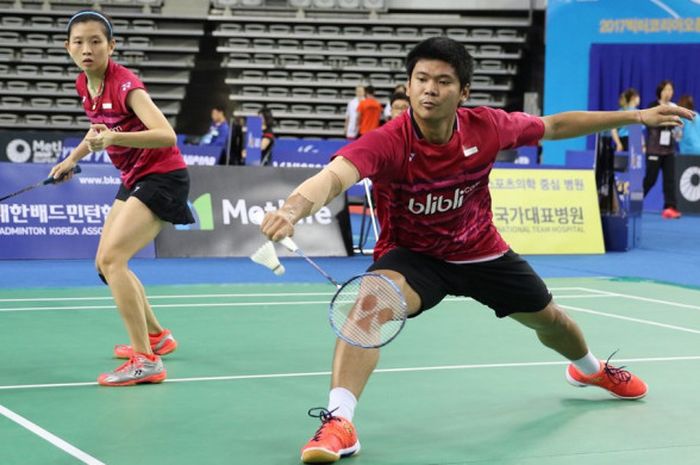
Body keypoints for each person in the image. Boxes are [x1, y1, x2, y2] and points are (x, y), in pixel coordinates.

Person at [260, 37, 693, 463]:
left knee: (553, 322)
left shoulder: (486, 127)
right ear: (408, 86)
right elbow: (335, 176)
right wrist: (292, 209)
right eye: (421, 79)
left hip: (481, 252)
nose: (430, 89)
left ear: (463, 92)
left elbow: (555, 126)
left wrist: (637, 115)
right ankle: (340, 421)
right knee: (370, 304)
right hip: (414, 257)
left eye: (443, 81)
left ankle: (590, 369)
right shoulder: (389, 140)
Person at [50, 10, 193, 386]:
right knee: (104, 263)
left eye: (96, 41)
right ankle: (158, 337)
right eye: (78, 42)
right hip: (135, 176)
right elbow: (97, 129)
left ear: (111, 46)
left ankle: (146, 361)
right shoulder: (85, 84)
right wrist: (71, 159)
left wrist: (114, 139)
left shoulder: (126, 84)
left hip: (162, 177)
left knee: (114, 259)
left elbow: (166, 134)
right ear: (68, 48)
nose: (87, 49)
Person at [643, 80, 682, 219]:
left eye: (671, 90)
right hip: (654, 150)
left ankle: (670, 208)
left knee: (670, 180)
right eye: (666, 89)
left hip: (669, 150)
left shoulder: (674, 107)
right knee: (650, 180)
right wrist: (670, 120)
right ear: (660, 91)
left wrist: (678, 133)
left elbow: (677, 129)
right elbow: (650, 124)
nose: (669, 92)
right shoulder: (652, 106)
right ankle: (634, 203)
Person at [610, 88, 640, 152]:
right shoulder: (621, 112)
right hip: (624, 142)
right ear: (633, 98)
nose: (639, 99)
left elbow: (638, 131)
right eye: (638, 97)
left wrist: (642, 145)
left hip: (635, 142)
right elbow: (613, 130)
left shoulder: (639, 112)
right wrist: (619, 144)